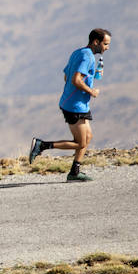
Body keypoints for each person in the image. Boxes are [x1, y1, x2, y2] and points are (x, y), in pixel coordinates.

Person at [28, 28, 111, 182]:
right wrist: (91, 91)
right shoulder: (88, 58)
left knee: (88, 137)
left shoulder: (79, 52)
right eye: (105, 44)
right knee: (80, 142)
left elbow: (67, 75)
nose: (107, 47)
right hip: (74, 106)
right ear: (96, 42)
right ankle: (42, 145)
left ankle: (75, 171)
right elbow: (75, 80)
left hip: (80, 104)